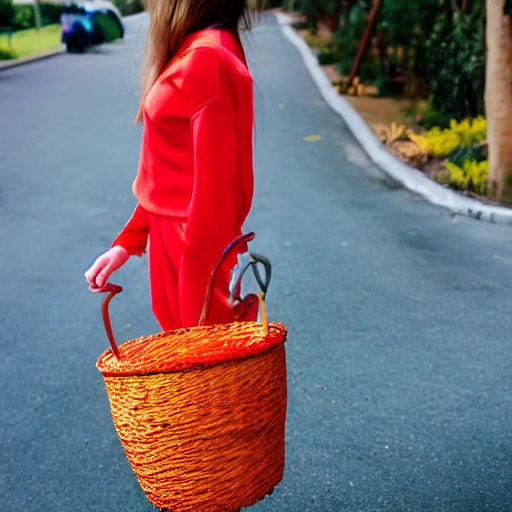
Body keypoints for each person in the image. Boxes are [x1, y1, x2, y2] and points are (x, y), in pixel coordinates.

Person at [85, 0, 263, 331]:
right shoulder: (198, 50)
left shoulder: (207, 57)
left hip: (193, 253)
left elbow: (215, 199)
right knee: (191, 374)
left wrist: (201, 311)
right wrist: (128, 242)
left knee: (202, 373)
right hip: (179, 249)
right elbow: (168, 171)